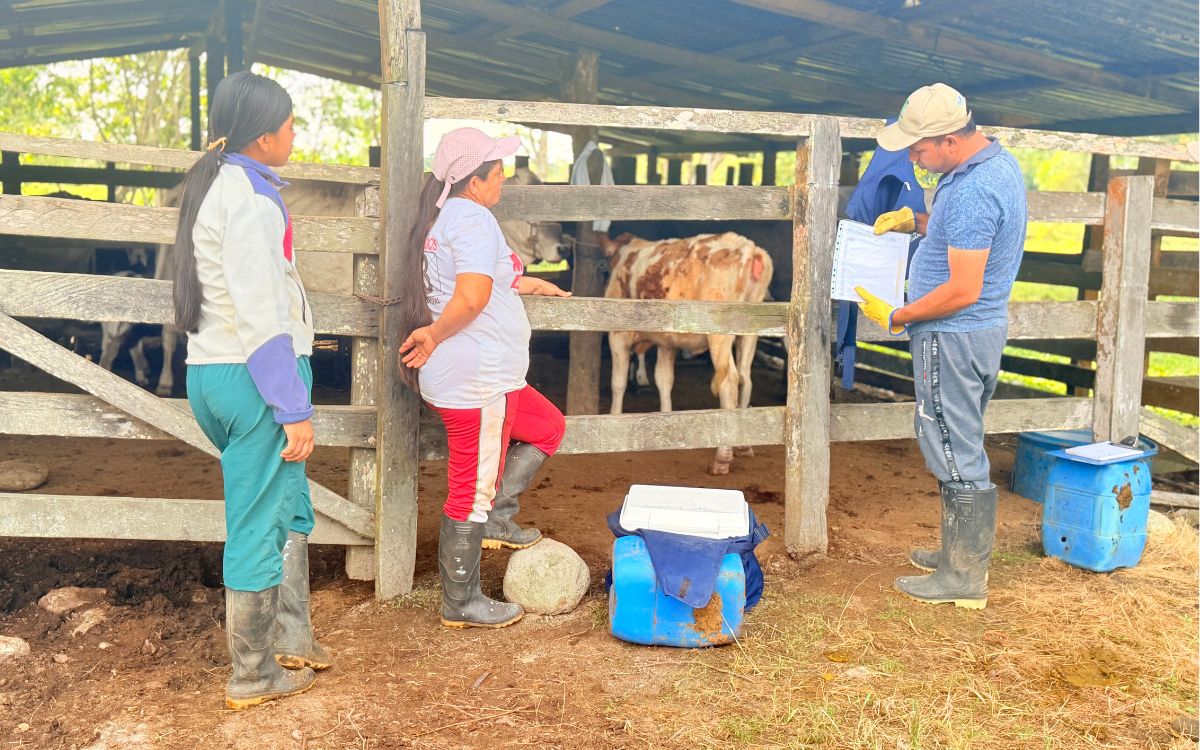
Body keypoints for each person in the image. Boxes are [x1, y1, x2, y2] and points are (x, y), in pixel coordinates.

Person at [173, 71, 332, 709]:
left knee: (287, 503)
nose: (295, 136)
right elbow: (261, 314)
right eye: (290, 126)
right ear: (264, 137)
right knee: (255, 525)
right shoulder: (249, 201)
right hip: (254, 377)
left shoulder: (218, 184)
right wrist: (290, 405)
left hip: (216, 373)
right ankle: (252, 673)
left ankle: (292, 637)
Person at [855, 83, 1027, 610]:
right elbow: (966, 234)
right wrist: (919, 221)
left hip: (953, 333)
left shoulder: (974, 189)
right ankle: (958, 554)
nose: (913, 158)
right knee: (960, 438)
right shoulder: (993, 166)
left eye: (919, 148)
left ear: (950, 140)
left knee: (951, 443)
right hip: (975, 332)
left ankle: (963, 577)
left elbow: (962, 289)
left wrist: (898, 315)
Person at [397, 127, 570, 629]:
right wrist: (434, 335)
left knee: (547, 426)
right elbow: (470, 297)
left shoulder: (450, 215)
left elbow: (484, 280)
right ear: (475, 181)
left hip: (489, 375)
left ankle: (498, 515)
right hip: (478, 380)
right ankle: (461, 601)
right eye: (498, 173)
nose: (504, 181)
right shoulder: (472, 219)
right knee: (470, 488)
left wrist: (528, 284)